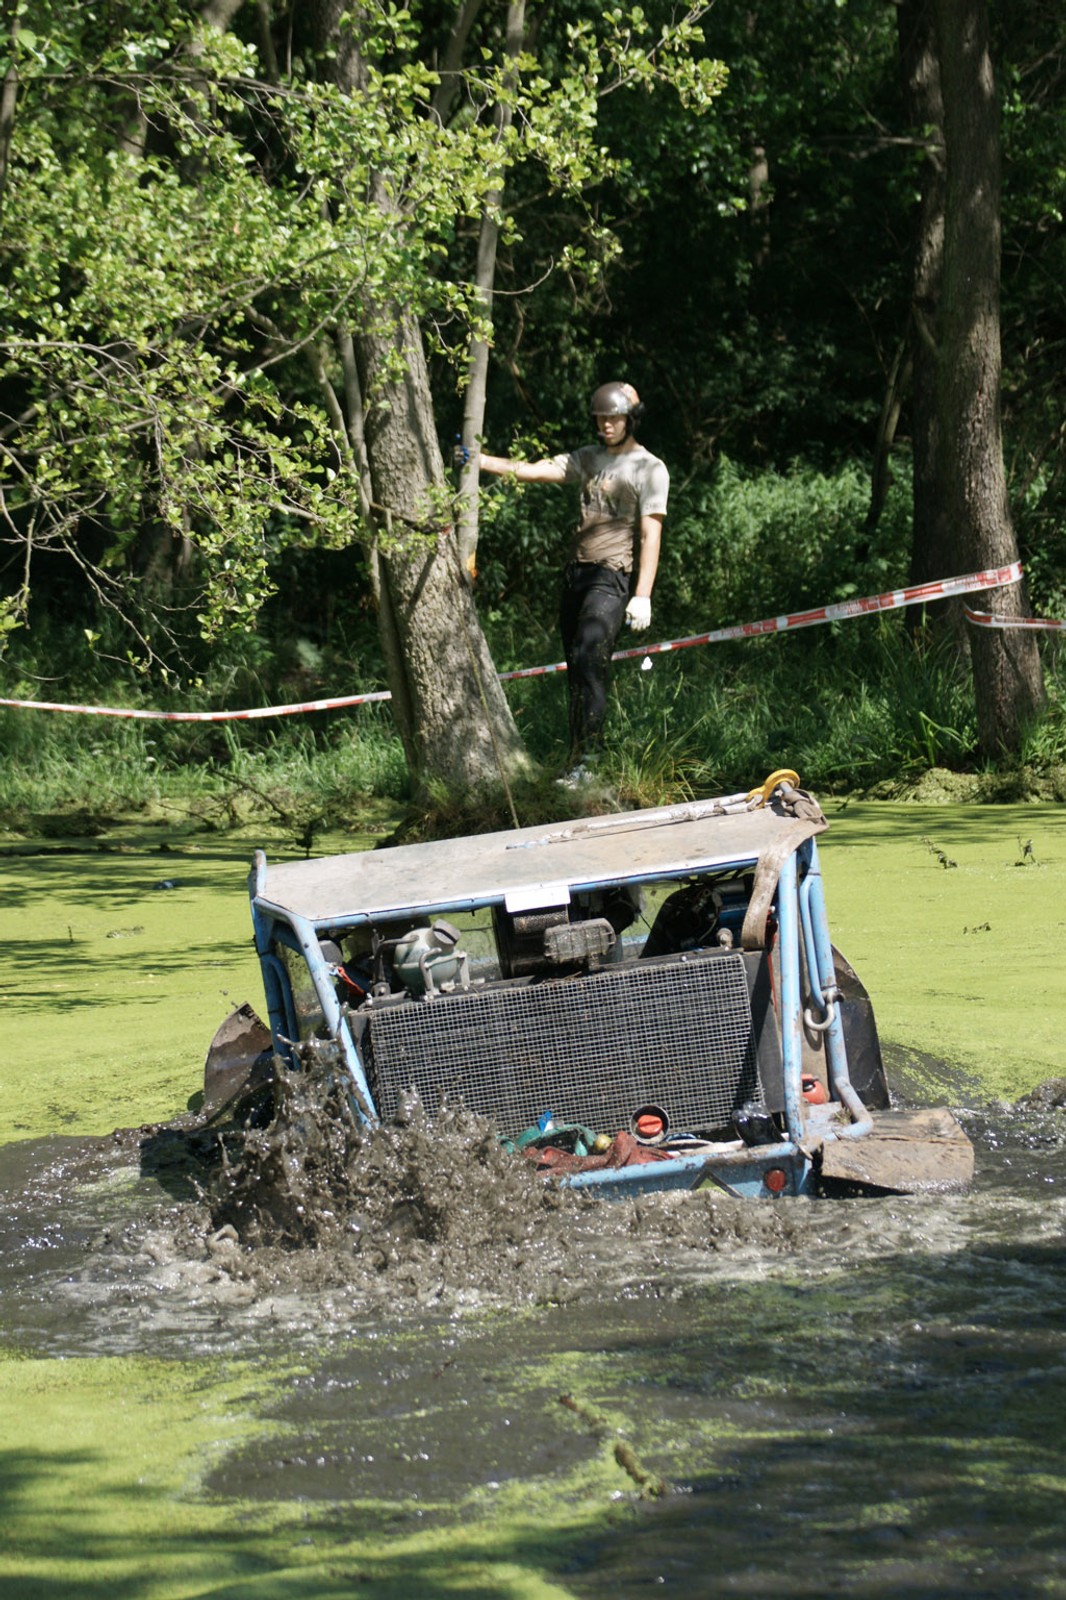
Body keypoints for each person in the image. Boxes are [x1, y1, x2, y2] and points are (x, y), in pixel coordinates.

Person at [464, 381, 668, 781]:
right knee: (577, 667)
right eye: (600, 418)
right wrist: (479, 460)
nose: (606, 425)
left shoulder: (650, 468)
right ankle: (577, 760)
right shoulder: (588, 458)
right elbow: (536, 470)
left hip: (612, 577)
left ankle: (589, 765)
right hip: (577, 574)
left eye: (614, 417)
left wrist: (642, 595)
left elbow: (651, 534)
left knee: (591, 659)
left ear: (631, 419)